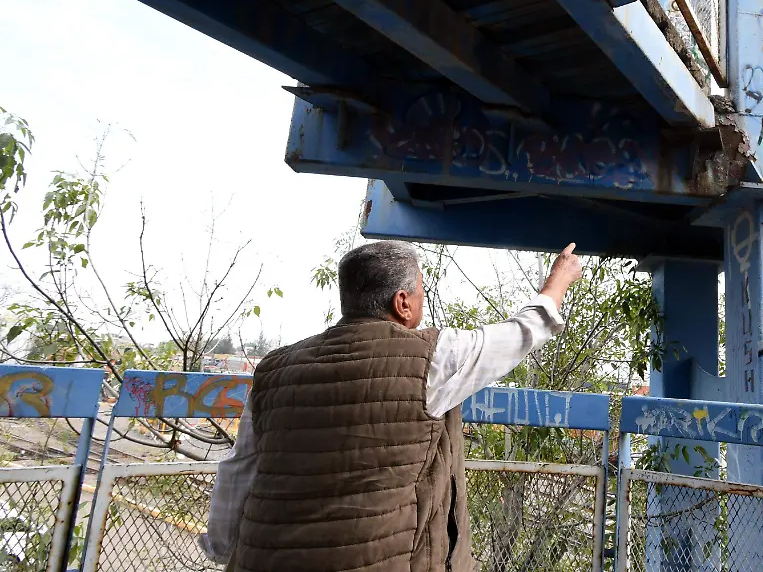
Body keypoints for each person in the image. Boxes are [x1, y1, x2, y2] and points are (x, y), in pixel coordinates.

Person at [199, 240, 583, 572]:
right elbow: (520, 334)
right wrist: (559, 280)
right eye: (419, 291)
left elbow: (239, 467)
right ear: (402, 303)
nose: (421, 300)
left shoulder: (273, 368)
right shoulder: (432, 358)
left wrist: (220, 545)